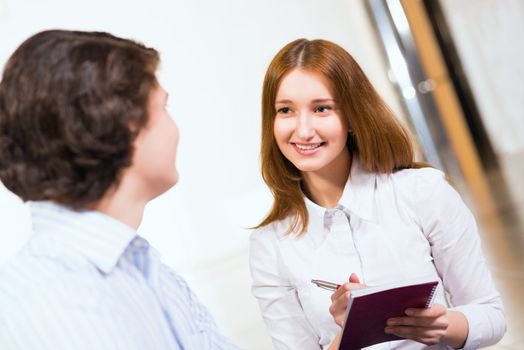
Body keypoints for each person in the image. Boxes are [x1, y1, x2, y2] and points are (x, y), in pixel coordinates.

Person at [249, 38, 506, 350]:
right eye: (285, 110)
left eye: (322, 108)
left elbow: (491, 316)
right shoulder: (270, 244)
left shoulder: (423, 191)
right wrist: (351, 330)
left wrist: (441, 325)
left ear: (352, 115)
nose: (303, 130)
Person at [0, 30, 241, 350]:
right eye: (164, 107)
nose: (175, 129)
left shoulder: (150, 272)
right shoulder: (33, 301)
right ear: (125, 123)